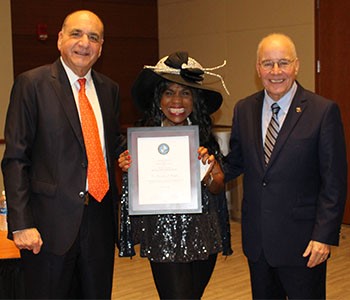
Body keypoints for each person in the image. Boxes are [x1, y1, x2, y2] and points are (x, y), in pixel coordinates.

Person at [1, 10, 121, 299]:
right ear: (59, 39)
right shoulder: (31, 84)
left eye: (94, 37)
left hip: (100, 222)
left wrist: (129, 156)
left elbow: (110, 145)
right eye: (76, 34)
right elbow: (16, 158)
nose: (85, 43)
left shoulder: (109, 90)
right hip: (47, 227)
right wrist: (22, 223)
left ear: (101, 47)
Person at [223, 33, 347, 299]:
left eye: (283, 63)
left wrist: (324, 236)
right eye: (267, 64)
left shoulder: (322, 111)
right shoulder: (244, 109)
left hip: (304, 244)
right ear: (258, 68)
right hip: (259, 244)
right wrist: (199, 165)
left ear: (297, 65)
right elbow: (234, 163)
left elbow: (334, 182)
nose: (275, 71)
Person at [118, 51, 233, 299]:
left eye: (185, 93)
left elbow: (217, 187)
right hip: (162, 236)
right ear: (159, 99)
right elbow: (134, 191)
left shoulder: (205, 140)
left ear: (195, 100)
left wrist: (211, 172)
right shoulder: (142, 141)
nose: (176, 101)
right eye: (169, 92)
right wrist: (129, 167)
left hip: (204, 233)